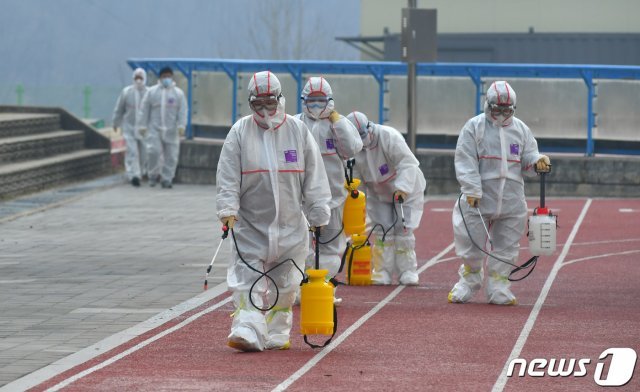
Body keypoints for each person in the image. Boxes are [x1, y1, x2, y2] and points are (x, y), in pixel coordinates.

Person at [216, 71, 331, 352]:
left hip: (291, 226)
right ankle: (247, 327)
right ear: (250, 103)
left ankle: (278, 330)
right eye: (259, 105)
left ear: (281, 99)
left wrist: (318, 213)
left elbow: (314, 176)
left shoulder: (297, 130)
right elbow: (228, 176)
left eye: (270, 103)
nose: (265, 111)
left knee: (287, 283)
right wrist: (228, 209)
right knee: (247, 280)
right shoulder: (240, 132)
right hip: (251, 226)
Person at [448, 81, 551, 305]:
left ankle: (498, 285)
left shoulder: (521, 129)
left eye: (507, 111)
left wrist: (537, 162)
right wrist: (472, 189)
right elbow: (465, 160)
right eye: (497, 110)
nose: (502, 115)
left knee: (507, 244)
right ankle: (470, 280)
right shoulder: (474, 127)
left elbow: (528, 157)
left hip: (511, 198)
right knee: (471, 241)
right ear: (488, 105)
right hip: (479, 197)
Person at [295, 77, 362, 303]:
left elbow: (351, 149)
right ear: (303, 100)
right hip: (300, 200)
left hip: (332, 199)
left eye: (321, 100)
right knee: (297, 245)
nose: (316, 104)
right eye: (311, 100)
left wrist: (338, 122)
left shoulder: (338, 125)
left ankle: (323, 288)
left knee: (331, 247)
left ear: (330, 100)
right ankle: (298, 288)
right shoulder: (295, 124)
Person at [346, 112, 427, 285]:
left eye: (362, 136)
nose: (361, 141)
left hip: (405, 189)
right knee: (382, 231)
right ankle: (382, 271)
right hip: (378, 192)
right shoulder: (353, 149)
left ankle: (408, 271)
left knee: (403, 230)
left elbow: (407, 163)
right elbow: (357, 177)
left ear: (369, 128)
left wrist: (403, 188)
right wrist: (357, 198)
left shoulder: (389, 136)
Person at [138, 66, 187, 188]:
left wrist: (181, 125)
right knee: (153, 152)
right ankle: (152, 175)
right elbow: (144, 109)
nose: (167, 78)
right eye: (164, 76)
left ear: (172, 77)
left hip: (172, 129)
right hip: (154, 129)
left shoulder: (178, 93)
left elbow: (183, 111)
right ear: (160, 77)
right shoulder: (152, 92)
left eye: (169, 76)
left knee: (171, 155)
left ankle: (167, 179)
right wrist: (142, 126)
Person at [112, 68, 149, 186]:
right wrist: (116, 122)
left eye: (141, 78)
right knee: (132, 151)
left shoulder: (149, 93)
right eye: (136, 78)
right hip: (129, 127)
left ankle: (141, 171)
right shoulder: (126, 92)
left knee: (144, 152)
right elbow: (119, 109)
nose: (138, 80)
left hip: (144, 129)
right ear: (133, 78)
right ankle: (133, 175)